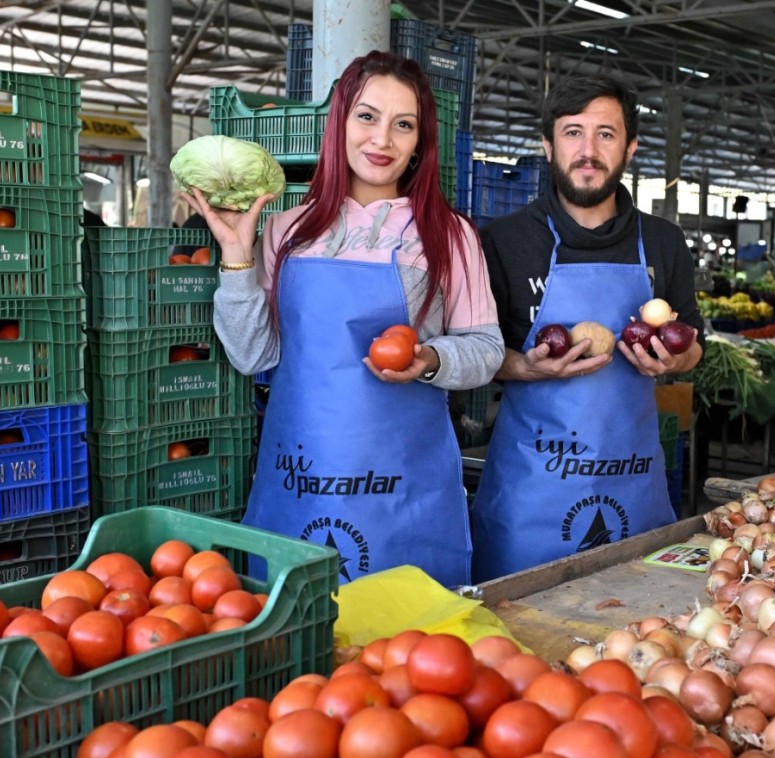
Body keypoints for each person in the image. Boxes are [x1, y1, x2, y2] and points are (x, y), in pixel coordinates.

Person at [183, 50, 504, 588]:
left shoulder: (449, 235)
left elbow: (486, 348)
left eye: (403, 125)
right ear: (339, 123)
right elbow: (252, 355)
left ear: (419, 143)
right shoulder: (286, 230)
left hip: (402, 490)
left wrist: (429, 359)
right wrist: (238, 257)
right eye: (367, 116)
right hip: (301, 479)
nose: (382, 140)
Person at [470, 73, 705, 583]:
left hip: (633, 488)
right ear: (548, 144)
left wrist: (677, 359)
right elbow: (479, 355)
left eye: (606, 133)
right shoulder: (504, 242)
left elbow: (694, 343)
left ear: (631, 147)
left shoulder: (663, 242)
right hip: (530, 496)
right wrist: (526, 368)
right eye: (573, 132)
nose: (588, 149)